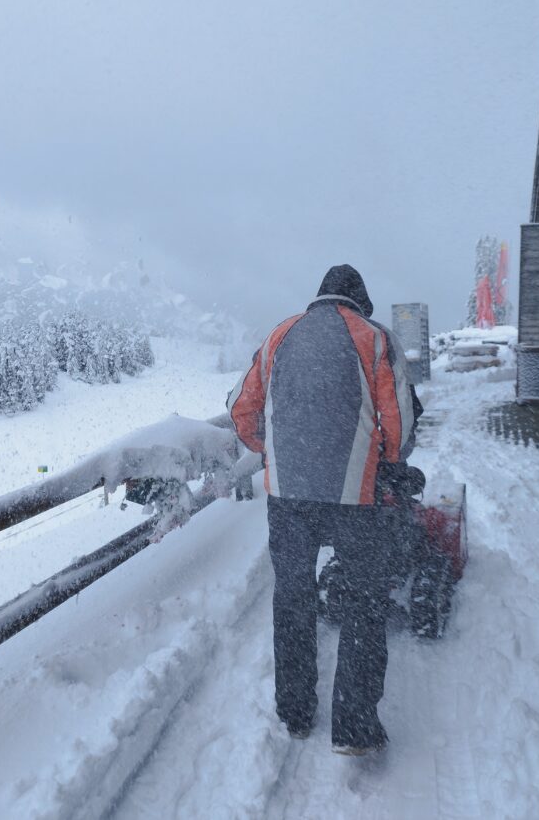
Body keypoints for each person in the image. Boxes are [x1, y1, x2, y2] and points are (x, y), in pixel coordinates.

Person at [227, 264, 416, 755]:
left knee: (292, 600)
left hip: (287, 499)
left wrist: (274, 452)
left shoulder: (280, 336)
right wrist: (387, 462)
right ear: (360, 302)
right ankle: (353, 728)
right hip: (355, 499)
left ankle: (294, 713)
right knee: (362, 603)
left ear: (320, 296)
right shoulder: (374, 340)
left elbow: (241, 410)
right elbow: (398, 423)